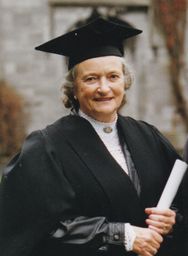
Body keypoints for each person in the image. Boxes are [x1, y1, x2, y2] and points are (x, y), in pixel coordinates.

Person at [0, 17, 185, 256]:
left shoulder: (148, 136)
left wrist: (173, 219)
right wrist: (122, 235)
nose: (104, 88)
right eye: (90, 79)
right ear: (73, 89)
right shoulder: (47, 146)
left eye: (113, 76)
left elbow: (182, 201)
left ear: (125, 82)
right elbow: (32, 224)